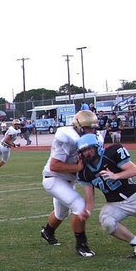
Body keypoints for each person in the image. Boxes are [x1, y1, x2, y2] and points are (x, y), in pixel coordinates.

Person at [39, 110, 97, 258]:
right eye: (89, 128)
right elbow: (54, 166)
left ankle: (47, 232)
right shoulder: (66, 138)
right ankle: (81, 244)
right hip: (53, 178)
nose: (92, 131)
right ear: (78, 127)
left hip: (68, 180)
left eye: (93, 127)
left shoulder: (91, 140)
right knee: (78, 205)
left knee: (60, 213)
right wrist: (77, 168)